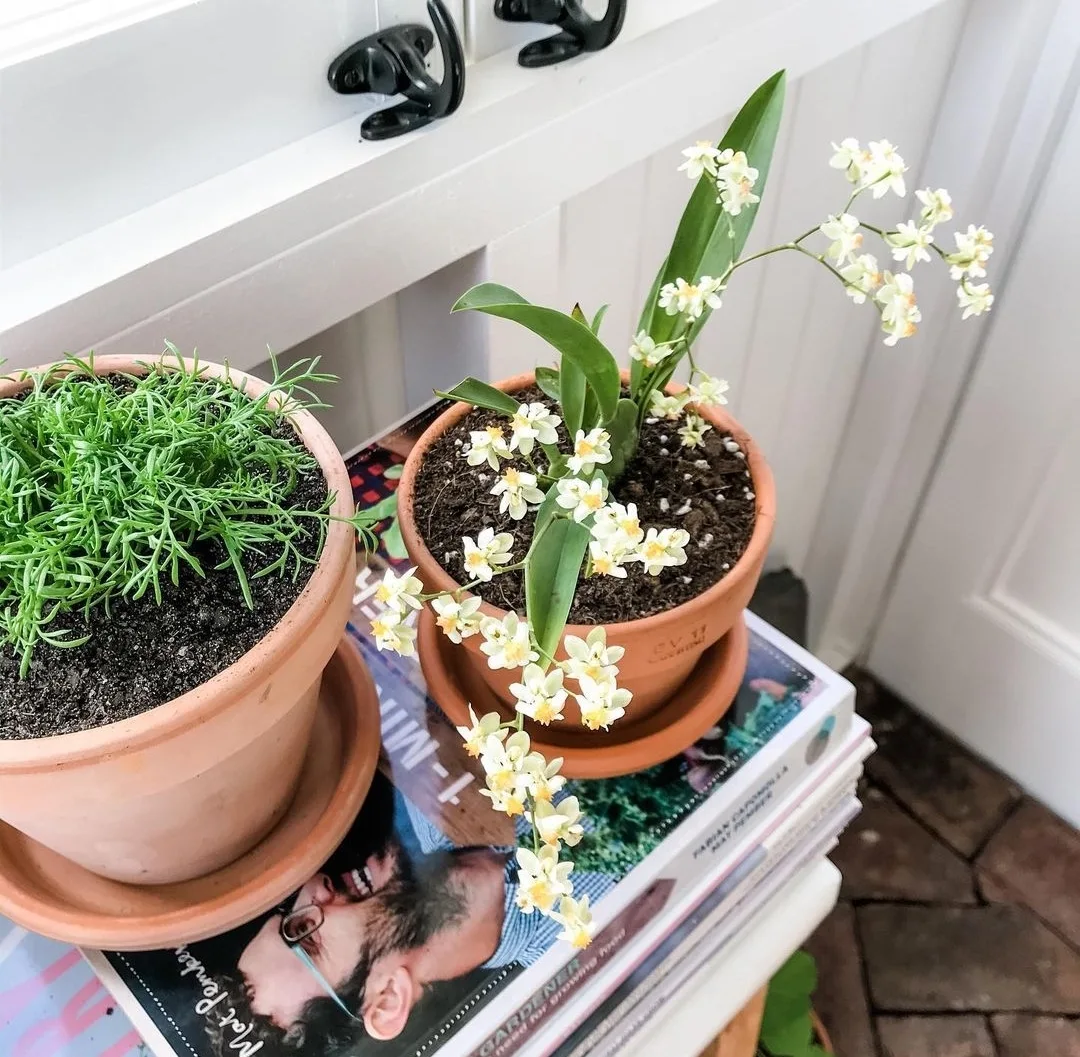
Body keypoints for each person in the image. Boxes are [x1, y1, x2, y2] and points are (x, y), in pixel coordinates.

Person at [208, 778, 615, 1054]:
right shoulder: (596, 930)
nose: (313, 887)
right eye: (304, 934)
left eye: (287, 911)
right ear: (386, 1000)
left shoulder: (419, 785)